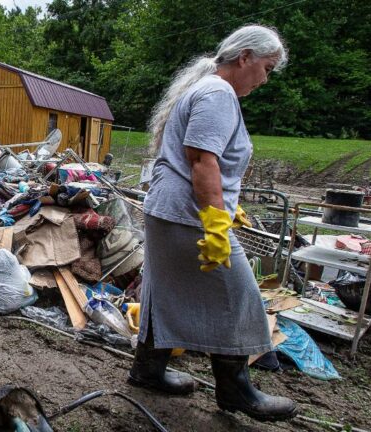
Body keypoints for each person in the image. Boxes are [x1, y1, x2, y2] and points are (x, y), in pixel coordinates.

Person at [128, 24, 299, 422]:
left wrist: (226, 206)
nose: (265, 78)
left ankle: (147, 370)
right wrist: (216, 223)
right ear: (245, 58)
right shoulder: (218, 93)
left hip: (171, 210)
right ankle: (235, 390)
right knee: (239, 297)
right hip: (187, 214)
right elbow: (202, 160)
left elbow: (205, 164)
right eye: (267, 68)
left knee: (162, 289)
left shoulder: (205, 89)